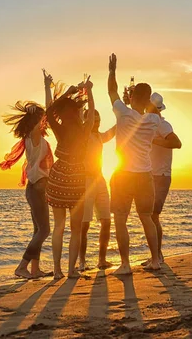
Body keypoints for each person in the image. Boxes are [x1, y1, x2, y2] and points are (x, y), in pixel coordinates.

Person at [107, 53, 162, 275]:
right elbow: (154, 110)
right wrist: (143, 100)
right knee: (146, 217)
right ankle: (156, 260)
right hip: (145, 174)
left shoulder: (122, 113)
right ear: (148, 100)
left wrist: (112, 71)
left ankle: (125, 264)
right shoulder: (154, 120)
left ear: (132, 98)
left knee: (120, 218)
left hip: (124, 174)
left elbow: (111, 91)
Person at [0, 70, 56, 279]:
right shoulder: (33, 136)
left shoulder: (31, 137)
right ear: (36, 122)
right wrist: (46, 87)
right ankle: (22, 267)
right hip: (38, 187)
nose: (44, 121)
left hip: (35, 188)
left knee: (38, 230)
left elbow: (47, 114)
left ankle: (34, 269)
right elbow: (49, 112)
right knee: (44, 231)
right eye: (40, 119)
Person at [46, 77, 95, 279]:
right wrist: (89, 91)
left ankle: (57, 270)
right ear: (76, 112)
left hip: (58, 175)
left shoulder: (59, 128)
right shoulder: (84, 130)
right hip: (75, 176)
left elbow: (49, 111)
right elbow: (92, 111)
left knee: (59, 226)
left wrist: (68, 93)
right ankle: (71, 270)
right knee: (76, 229)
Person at [143, 92, 182, 265]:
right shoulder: (151, 124)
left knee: (153, 216)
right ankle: (156, 255)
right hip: (152, 174)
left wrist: (155, 141)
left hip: (161, 176)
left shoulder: (163, 125)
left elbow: (177, 143)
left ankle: (157, 256)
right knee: (150, 216)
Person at [78, 110, 116, 271]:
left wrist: (123, 115)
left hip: (100, 180)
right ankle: (81, 262)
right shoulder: (82, 136)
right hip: (85, 182)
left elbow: (112, 132)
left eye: (99, 119)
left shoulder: (100, 136)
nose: (97, 122)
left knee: (106, 221)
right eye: (94, 119)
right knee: (84, 224)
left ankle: (102, 260)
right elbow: (80, 123)